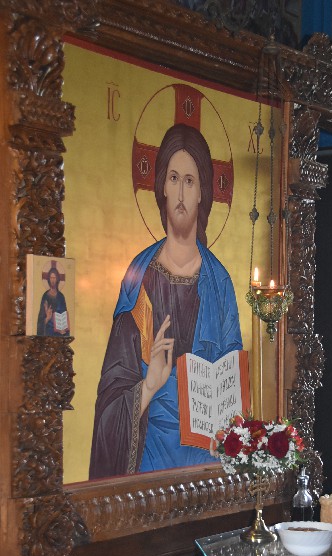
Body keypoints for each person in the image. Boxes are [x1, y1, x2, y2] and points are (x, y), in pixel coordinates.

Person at [89, 124, 242, 479]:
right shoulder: (139, 278)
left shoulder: (219, 282)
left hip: (206, 456)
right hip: (150, 456)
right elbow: (112, 394)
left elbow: (232, 380)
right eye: (174, 178)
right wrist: (150, 384)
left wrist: (229, 427)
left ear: (202, 192)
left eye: (190, 181)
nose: (181, 194)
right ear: (161, 186)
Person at [36, 266, 69, 337]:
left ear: (57, 279)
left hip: (59, 333)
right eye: (51, 278)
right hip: (48, 333)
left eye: (54, 278)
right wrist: (47, 318)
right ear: (48, 279)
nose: (53, 280)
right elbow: (40, 321)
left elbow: (64, 316)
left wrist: (64, 329)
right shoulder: (45, 296)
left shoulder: (61, 296)